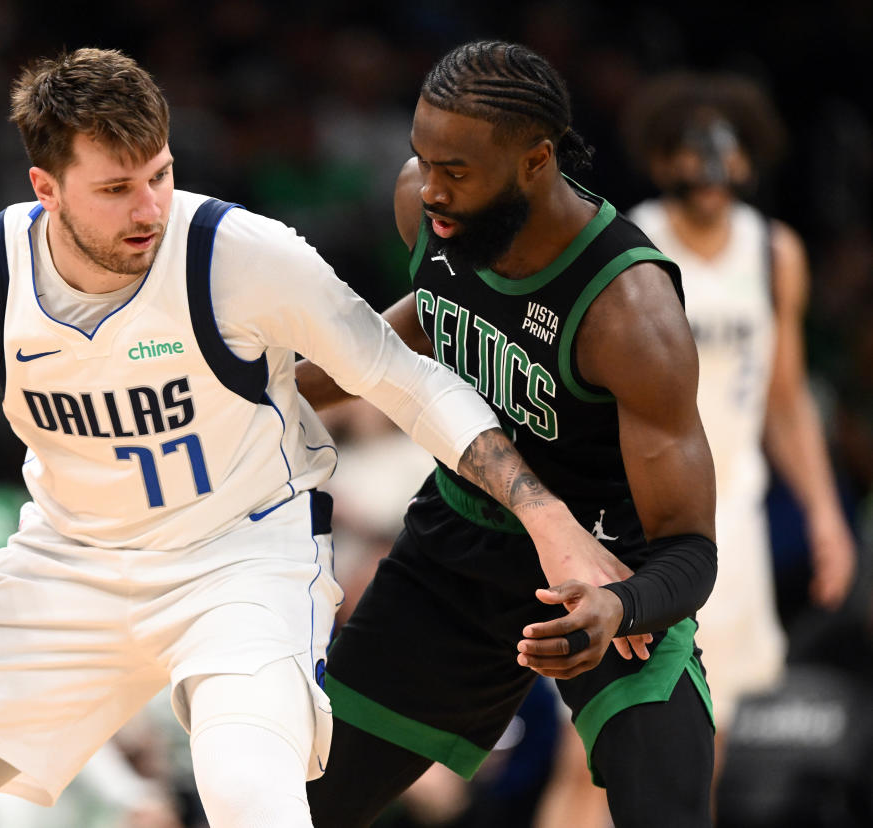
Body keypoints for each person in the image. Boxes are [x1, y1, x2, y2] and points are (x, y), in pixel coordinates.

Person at [0, 47, 629, 828]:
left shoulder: (240, 255)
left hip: (238, 563)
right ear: (45, 189)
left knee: (255, 805)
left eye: (160, 175)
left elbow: (407, 380)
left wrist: (551, 524)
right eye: (115, 189)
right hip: (69, 562)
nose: (149, 209)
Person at [298, 40, 720, 828]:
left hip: (601, 568)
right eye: (422, 159)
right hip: (456, 546)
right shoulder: (428, 209)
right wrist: (266, 392)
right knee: (297, 804)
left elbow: (694, 549)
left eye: (454, 169)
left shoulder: (631, 315)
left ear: (535, 161)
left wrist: (620, 608)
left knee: (669, 808)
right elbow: (432, 318)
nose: (429, 188)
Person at [536, 71, 859, 828]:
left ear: (751, 159)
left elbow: (783, 399)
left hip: (730, 527)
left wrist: (824, 513)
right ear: (660, 157)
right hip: (630, 526)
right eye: (691, 151)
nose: (711, 170)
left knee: (701, 746)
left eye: (727, 152)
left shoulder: (775, 253)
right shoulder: (623, 240)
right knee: (591, 757)